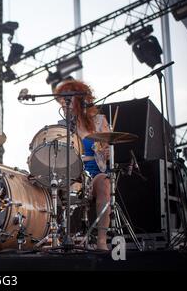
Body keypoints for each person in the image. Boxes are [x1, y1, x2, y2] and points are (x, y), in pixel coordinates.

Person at [54, 79, 111, 251]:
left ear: (79, 100)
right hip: (71, 175)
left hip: (94, 174)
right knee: (51, 184)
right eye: (61, 102)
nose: (63, 105)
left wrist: (106, 151)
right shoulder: (62, 126)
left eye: (66, 100)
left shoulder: (100, 121)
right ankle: (59, 236)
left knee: (105, 183)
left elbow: (108, 150)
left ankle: (102, 240)